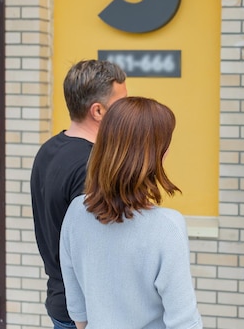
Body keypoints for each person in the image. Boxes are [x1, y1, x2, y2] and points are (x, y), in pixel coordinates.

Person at [59, 97, 203, 329]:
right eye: (164, 145)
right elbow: (184, 322)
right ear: (151, 154)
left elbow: (78, 311)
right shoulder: (168, 226)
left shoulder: (76, 212)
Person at [30, 60, 127, 329]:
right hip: (85, 313)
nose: (126, 112)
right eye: (121, 104)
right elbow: (96, 252)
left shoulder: (48, 149)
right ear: (98, 111)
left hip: (60, 302)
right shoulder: (93, 165)